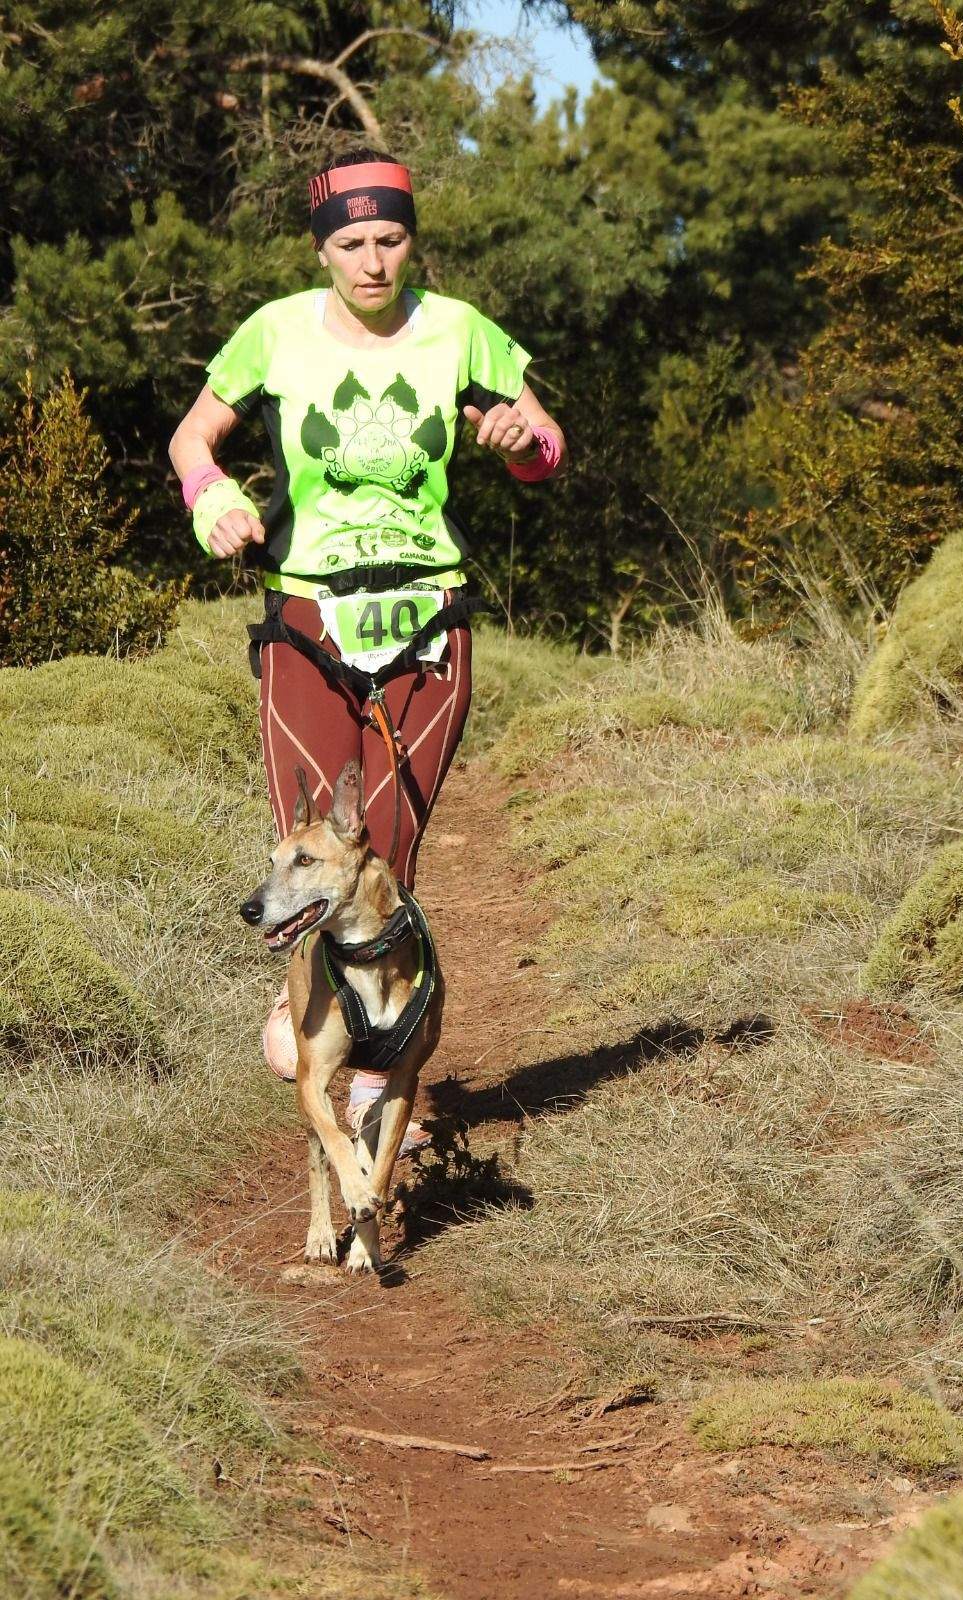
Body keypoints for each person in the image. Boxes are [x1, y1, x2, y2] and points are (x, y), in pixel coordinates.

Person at [169, 148, 566, 1129]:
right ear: (323, 251)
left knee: (383, 856)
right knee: (315, 853)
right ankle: (311, 1009)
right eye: (351, 243)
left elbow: (546, 445)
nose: (374, 261)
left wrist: (524, 443)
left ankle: (384, 1077)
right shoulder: (274, 334)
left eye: (391, 239)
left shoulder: (459, 331)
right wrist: (210, 497)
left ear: (411, 241)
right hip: (306, 623)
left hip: (430, 619)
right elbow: (191, 438)